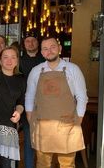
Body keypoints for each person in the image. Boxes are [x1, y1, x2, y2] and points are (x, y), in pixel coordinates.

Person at [25, 37, 88, 168]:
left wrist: (79, 118)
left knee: (67, 164)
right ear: (41, 52)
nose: (49, 51)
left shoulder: (73, 69)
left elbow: (82, 96)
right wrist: (30, 117)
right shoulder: (36, 71)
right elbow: (29, 96)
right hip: (42, 125)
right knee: (42, 164)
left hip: (67, 124)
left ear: (59, 48)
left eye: (53, 47)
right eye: (45, 49)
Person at [0, 46, 26, 168]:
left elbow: (20, 102)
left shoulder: (21, 79)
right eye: (5, 57)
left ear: (17, 61)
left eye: (13, 57)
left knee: (6, 164)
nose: (9, 60)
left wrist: (18, 112)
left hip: (8, 126)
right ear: (0, 60)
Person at [19, 35, 45, 168]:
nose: (30, 43)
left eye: (33, 41)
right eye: (27, 41)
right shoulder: (19, 61)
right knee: (29, 139)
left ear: (38, 43)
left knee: (45, 139)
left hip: (46, 105)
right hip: (27, 105)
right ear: (24, 44)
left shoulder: (45, 59)